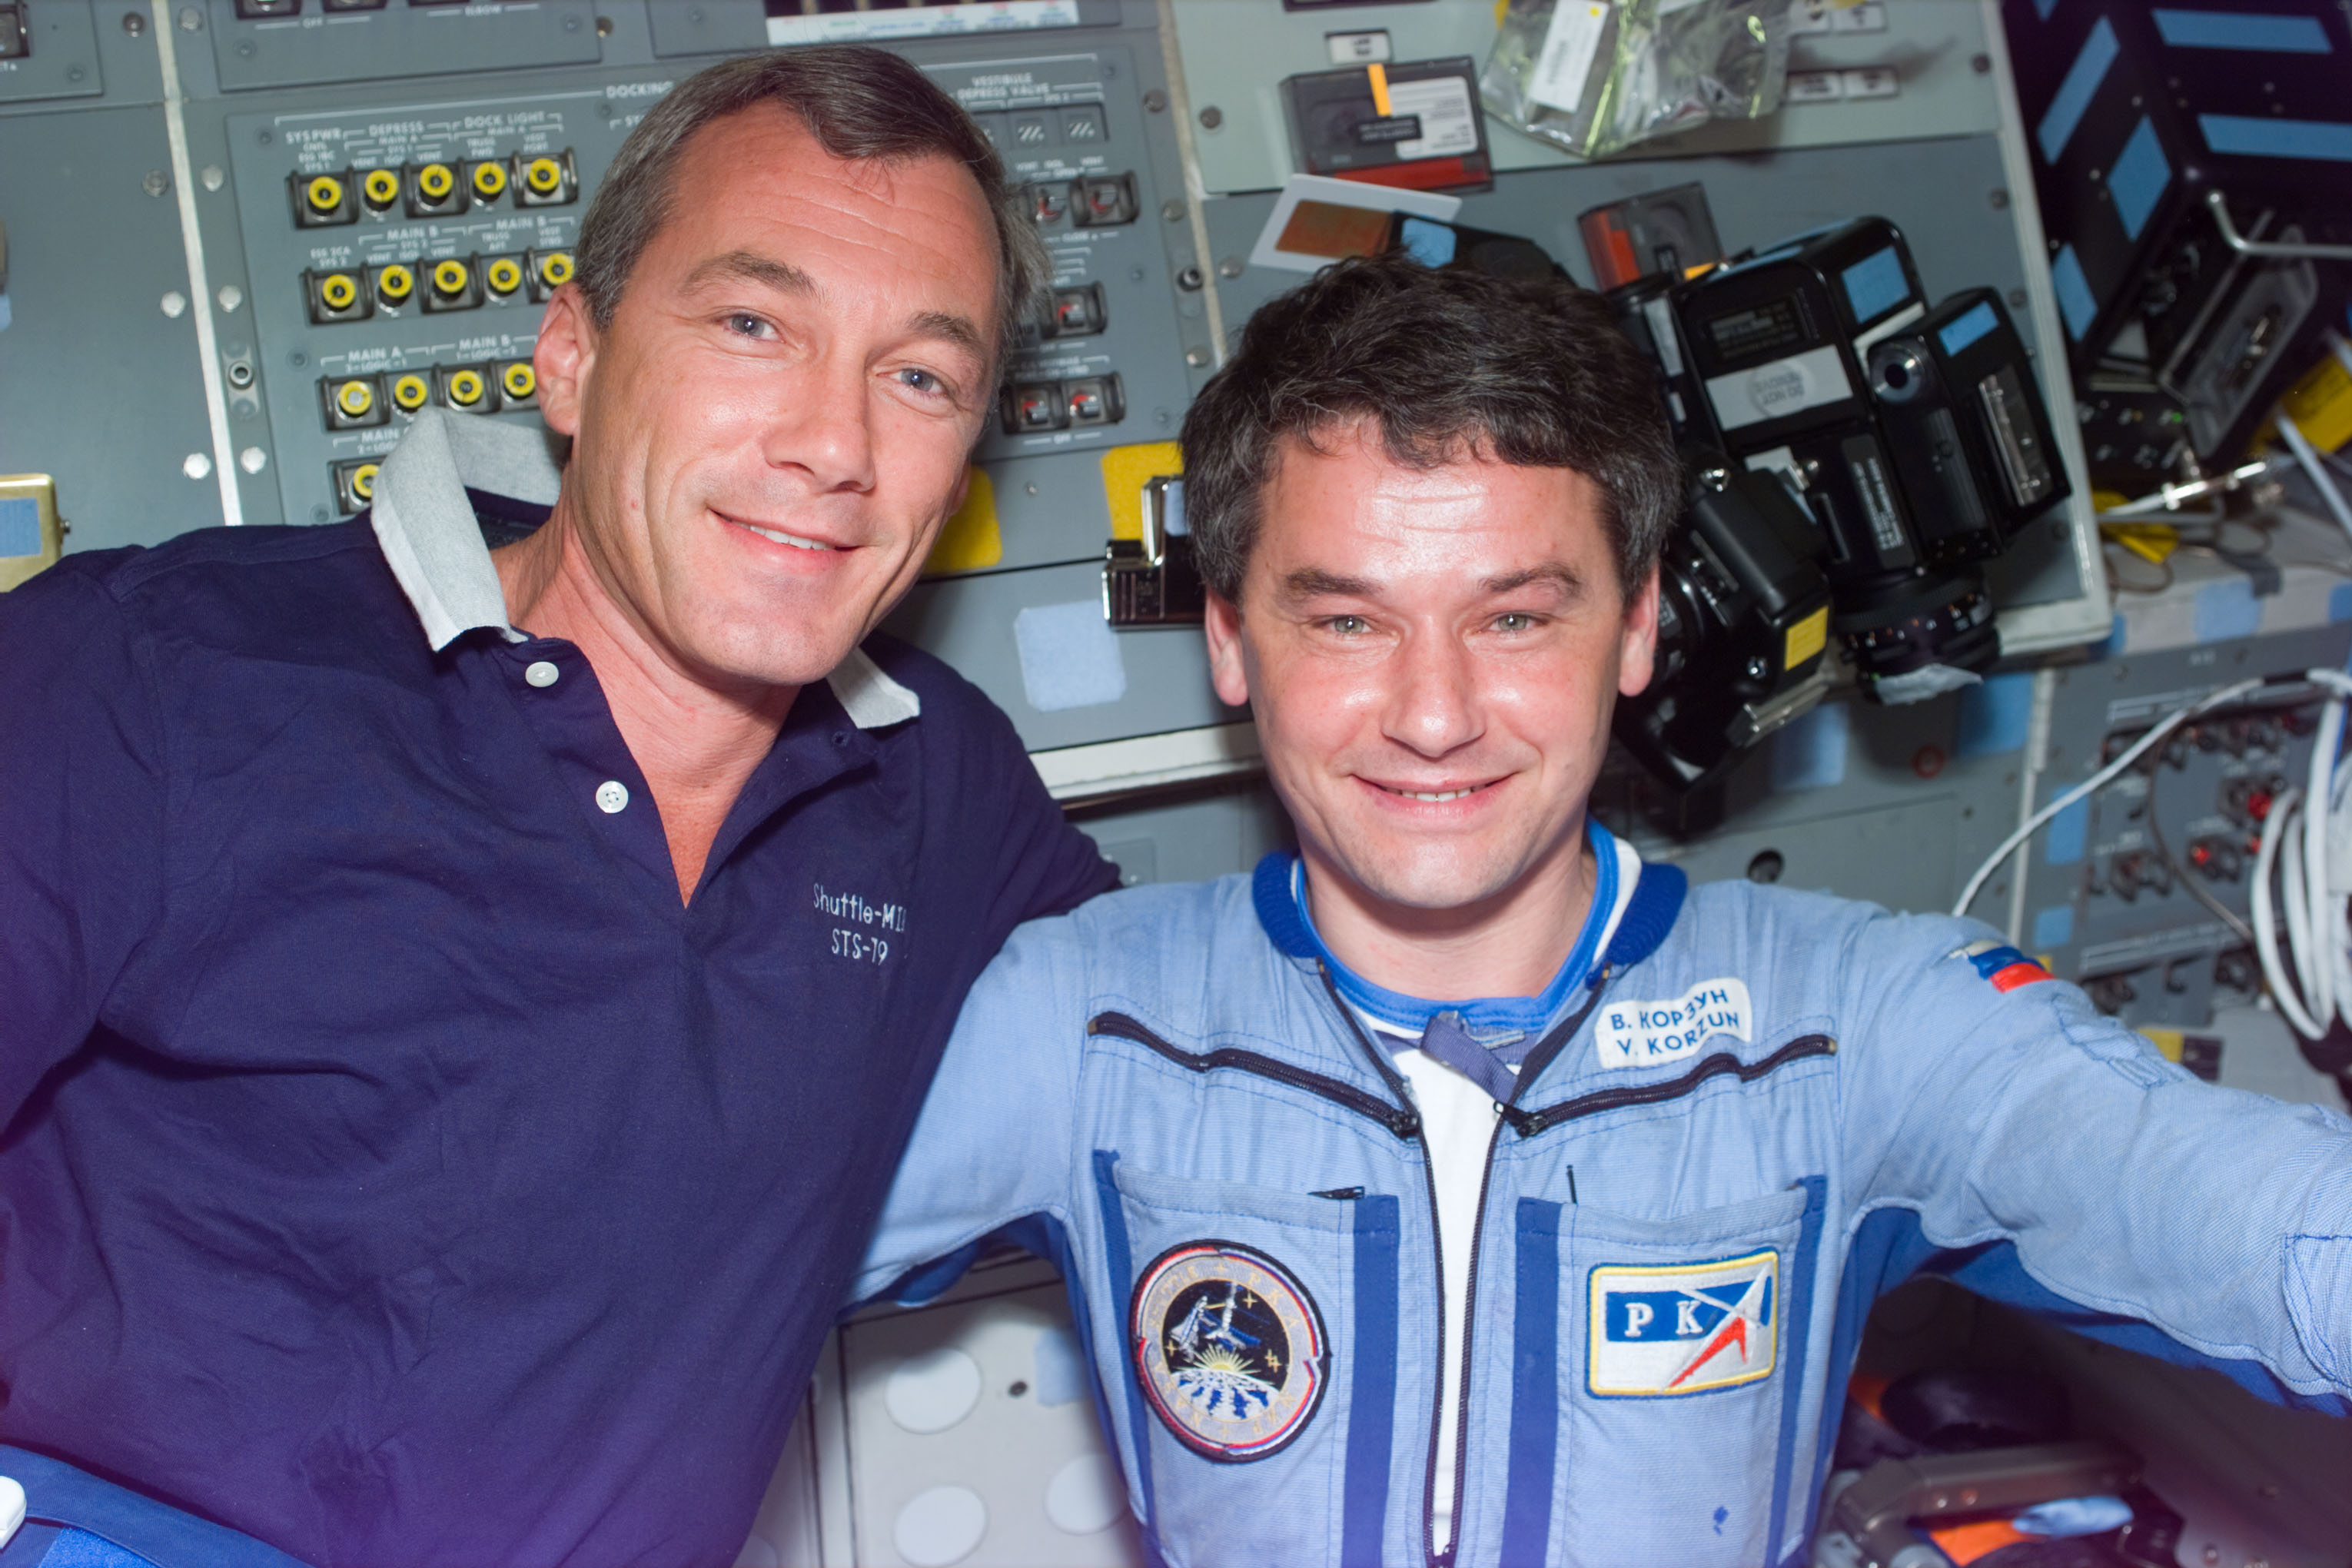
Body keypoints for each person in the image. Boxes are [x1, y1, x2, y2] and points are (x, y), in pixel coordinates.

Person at [855, 254, 2352, 1568]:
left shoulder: (1856, 1031)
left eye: (1514, 616)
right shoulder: (1087, 1023)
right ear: (1232, 641)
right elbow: (716, 1237)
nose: (1433, 715)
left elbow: (2278, 1232)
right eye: (1349, 620)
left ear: (1636, 624)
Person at [0, 47, 1115, 1568]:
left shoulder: (943, 786)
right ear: (572, 356)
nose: (834, 446)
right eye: (752, 325)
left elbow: (1215, 1050)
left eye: (918, 377)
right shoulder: (147, 674)